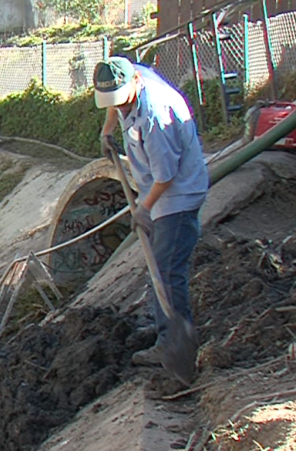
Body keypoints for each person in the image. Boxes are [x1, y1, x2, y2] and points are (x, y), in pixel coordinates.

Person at [93, 56, 209, 367]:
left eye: (121, 99)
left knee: (167, 270)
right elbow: (114, 103)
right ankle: (165, 330)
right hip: (157, 190)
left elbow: (166, 176)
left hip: (176, 195)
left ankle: (174, 343)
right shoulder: (130, 76)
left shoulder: (155, 116)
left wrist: (143, 209)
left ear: (135, 83)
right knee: (160, 264)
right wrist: (108, 131)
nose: (117, 105)